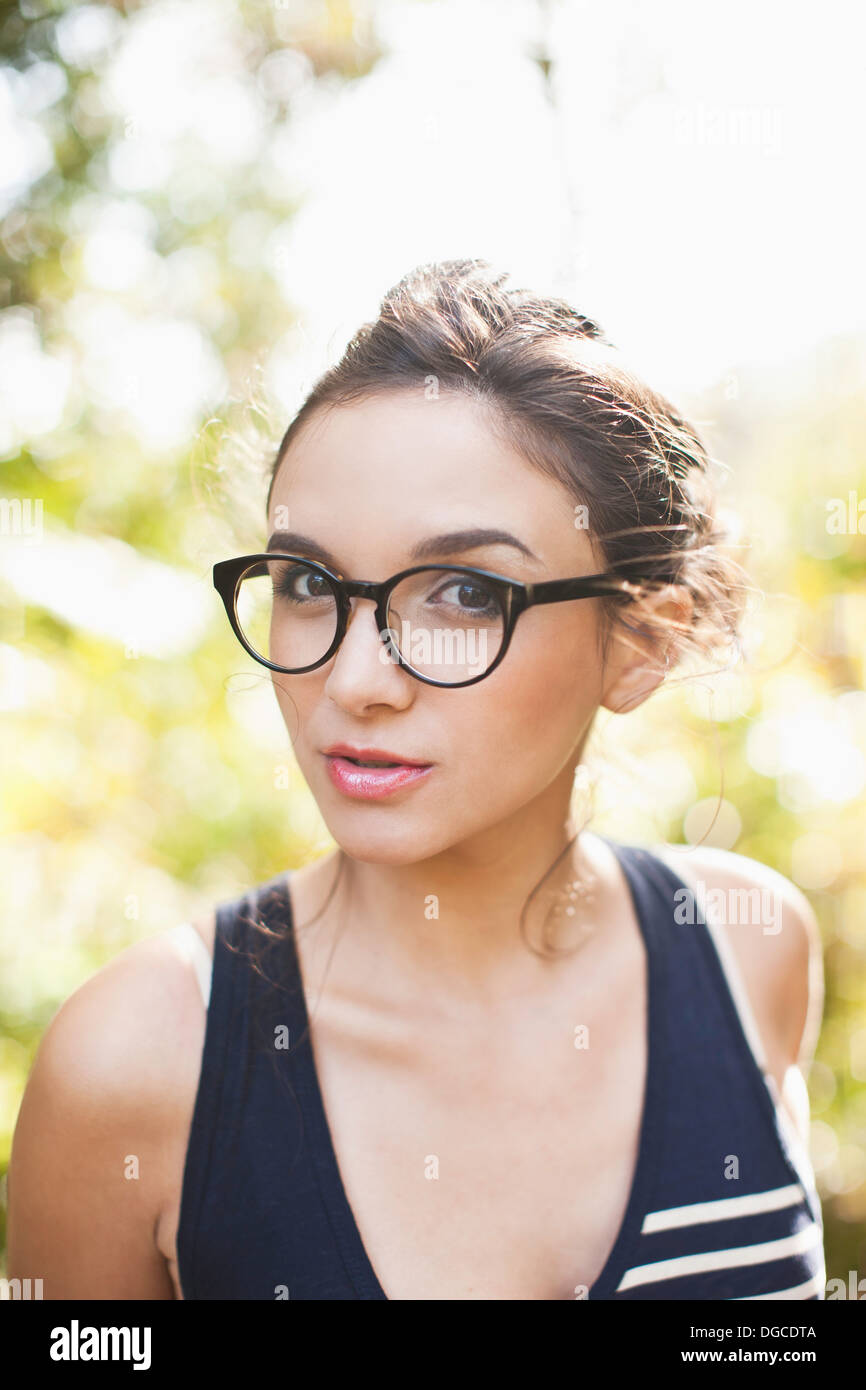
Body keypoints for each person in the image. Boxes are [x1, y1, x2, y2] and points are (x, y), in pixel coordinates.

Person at [7, 259, 825, 1300]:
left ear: (641, 640)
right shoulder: (135, 1064)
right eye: (307, 582)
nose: (353, 680)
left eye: (461, 593)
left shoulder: (746, 948)